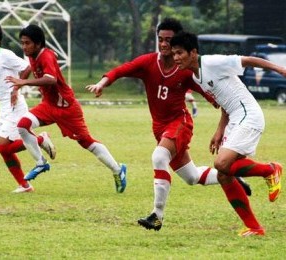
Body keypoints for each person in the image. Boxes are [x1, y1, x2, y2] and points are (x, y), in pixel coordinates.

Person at [86, 18, 251, 231]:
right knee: (192, 177)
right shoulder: (148, 62)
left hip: (179, 123)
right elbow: (121, 70)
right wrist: (102, 83)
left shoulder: (186, 70)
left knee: (158, 156)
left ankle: (157, 215)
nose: (163, 44)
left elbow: (214, 94)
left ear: (177, 44)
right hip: (160, 128)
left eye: (168, 41)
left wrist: (218, 107)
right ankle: (232, 178)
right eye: (160, 39)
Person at [170, 31, 283, 237]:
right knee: (224, 174)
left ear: (193, 52)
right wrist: (220, 129)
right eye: (174, 53)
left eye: (179, 53)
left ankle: (270, 169)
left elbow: (248, 60)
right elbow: (224, 102)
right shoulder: (197, 75)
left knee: (221, 164)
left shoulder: (213, 63)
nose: (175, 58)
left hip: (249, 115)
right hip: (235, 119)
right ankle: (254, 227)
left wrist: (280, 69)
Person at [5, 24, 127, 193]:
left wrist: (23, 83)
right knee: (23, 125)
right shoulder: (32, 56)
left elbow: (51, 79)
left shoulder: (46, 56)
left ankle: (118, 170)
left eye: (27, 43)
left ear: (38, 43)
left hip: (67, 108)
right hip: (48, 105)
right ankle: (41, 163)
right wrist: (17, 87)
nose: (24, 47)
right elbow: (27, 70)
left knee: (86, 142)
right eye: (22, 43)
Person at [0, 22, 56, 193]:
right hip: (4, 107)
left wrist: (16, 89)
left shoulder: (5, 55)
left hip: (15, 106)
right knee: (3, 149)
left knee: (4, 147)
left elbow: (26, 67)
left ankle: (40, 140)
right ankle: (25, 185)